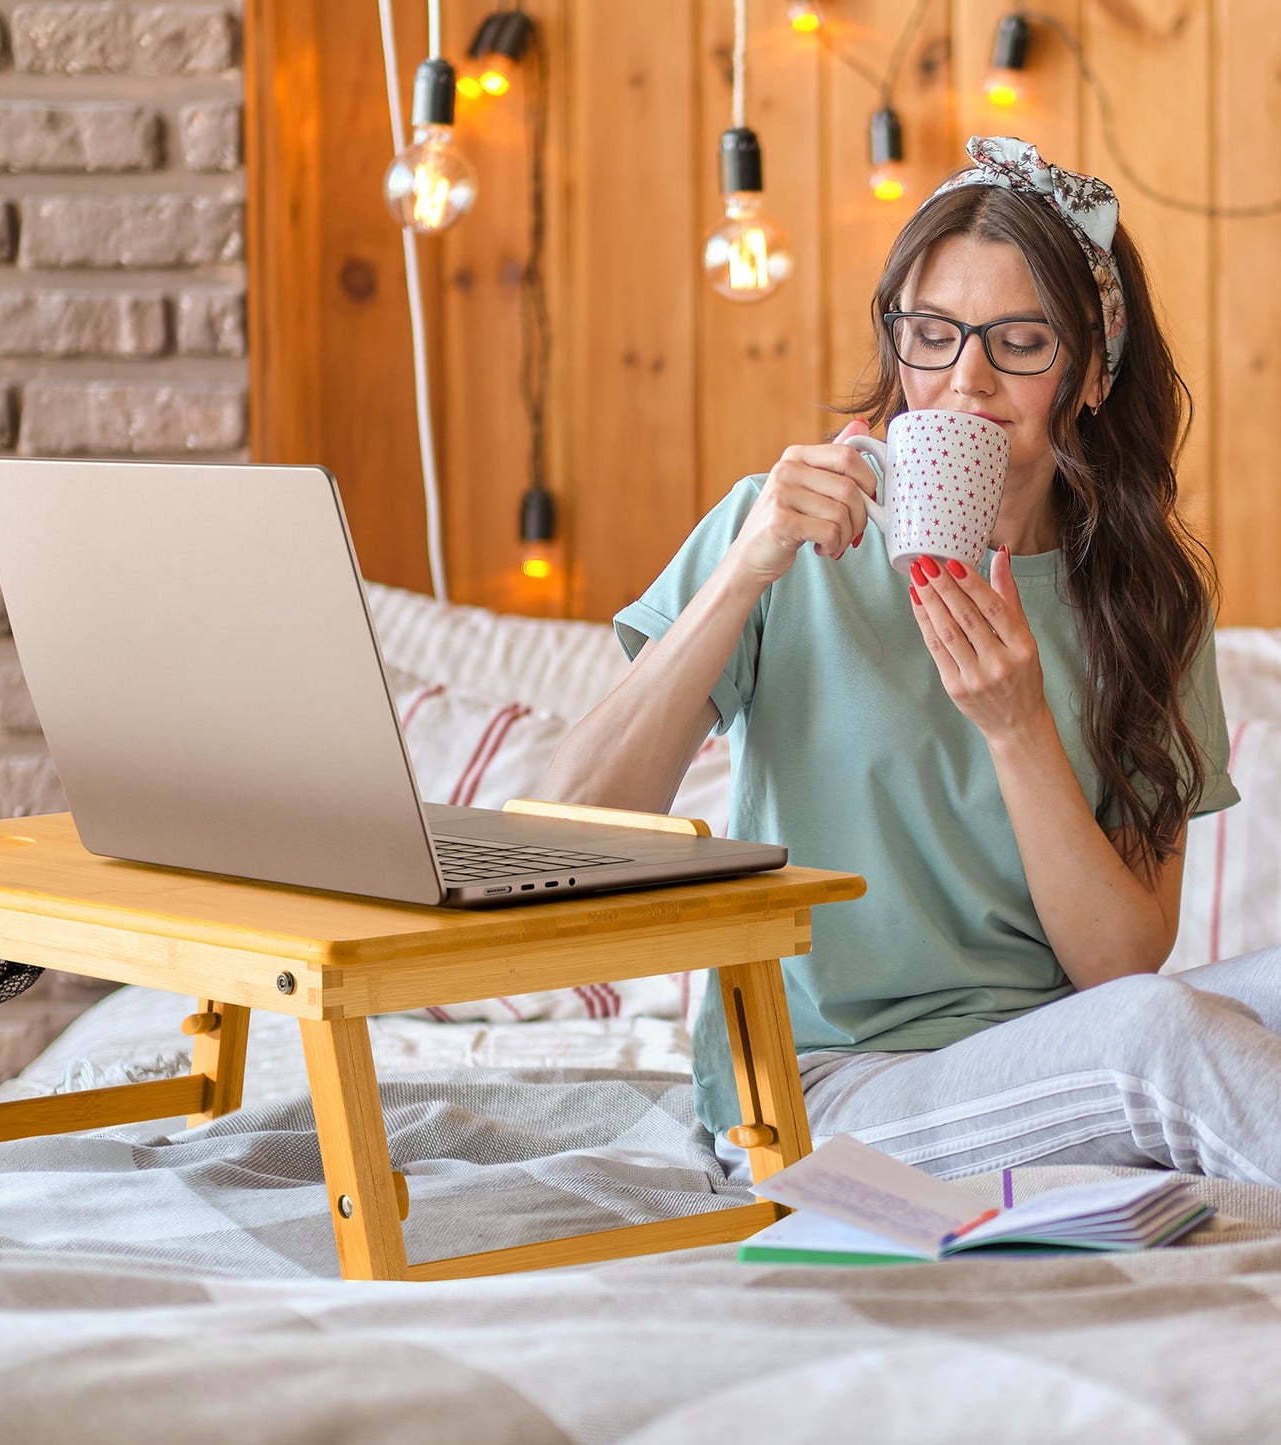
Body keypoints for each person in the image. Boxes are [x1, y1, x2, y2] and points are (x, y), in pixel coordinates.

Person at [540, 136, 1281, 1185]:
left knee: (1175, 1013)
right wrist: (743, 571)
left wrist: (1016, 725)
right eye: (929, 335)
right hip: (822, 1085)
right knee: (1158, 1036)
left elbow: (1115, 962)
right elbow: (574, 822)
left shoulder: (1146, 603)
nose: (960, 381)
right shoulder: (783, 538)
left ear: (1090, 374)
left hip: (1040, 1057)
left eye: (1017, 342)